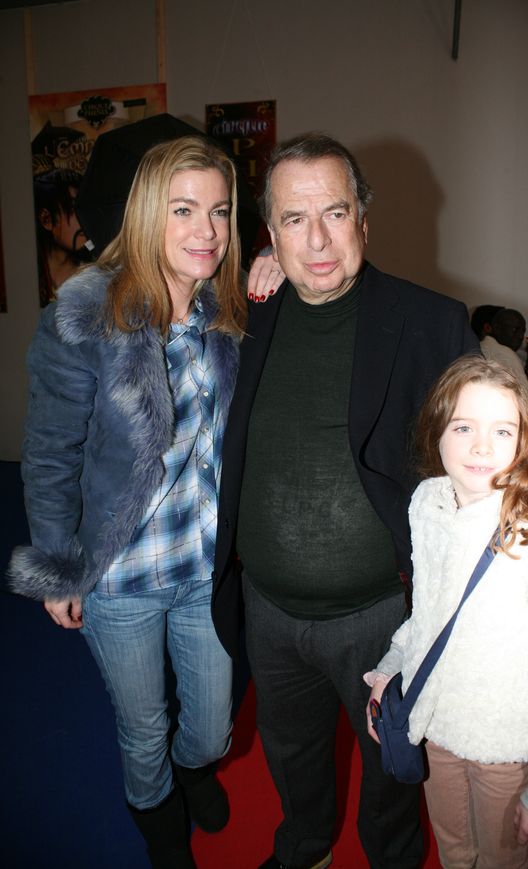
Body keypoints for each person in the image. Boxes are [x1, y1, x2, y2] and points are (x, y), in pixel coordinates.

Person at [213, 132, 528, 869]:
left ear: (363, 220)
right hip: (269, 608)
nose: (317, 239)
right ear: (269, 234)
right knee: (292, 756)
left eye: (335, 213)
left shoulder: (425, 319)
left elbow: (505, 416)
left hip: (382, 613)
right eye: (292, 220)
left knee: (392, 771)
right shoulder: (241, 315)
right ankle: (305, 846)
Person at [9, 136, 246, 869]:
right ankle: (161, 826)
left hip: (204, 565)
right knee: (142, 728)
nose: (206, 230)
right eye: (184, 209)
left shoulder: (227, 311)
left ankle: (195, 768)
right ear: (147, 213)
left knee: (210, 727)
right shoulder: (85, 314)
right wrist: (57, 569)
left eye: (220, 211)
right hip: (120, 575)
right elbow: (50, 452)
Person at [365, 355, 528, 868]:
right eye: (463, 426)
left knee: (502, 860)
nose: (482, 447)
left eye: (502, 431)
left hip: (504, 744)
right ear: (436, 430)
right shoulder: (428, 502)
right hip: (437, 727)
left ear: (524, 442)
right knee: (455, 851)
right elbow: (428, 612)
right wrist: (391, 669)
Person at [480, 307, 528, 410]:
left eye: (523, 331)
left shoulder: (484, 345)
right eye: (515, 330)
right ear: (496, 327)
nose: (520, 336)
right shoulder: (503, 353)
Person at [33, 168, 91, 306]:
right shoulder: (28, 275)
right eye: (71, 209)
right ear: (46, 219)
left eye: (81, 208)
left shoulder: (93, 276)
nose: (81, 218)